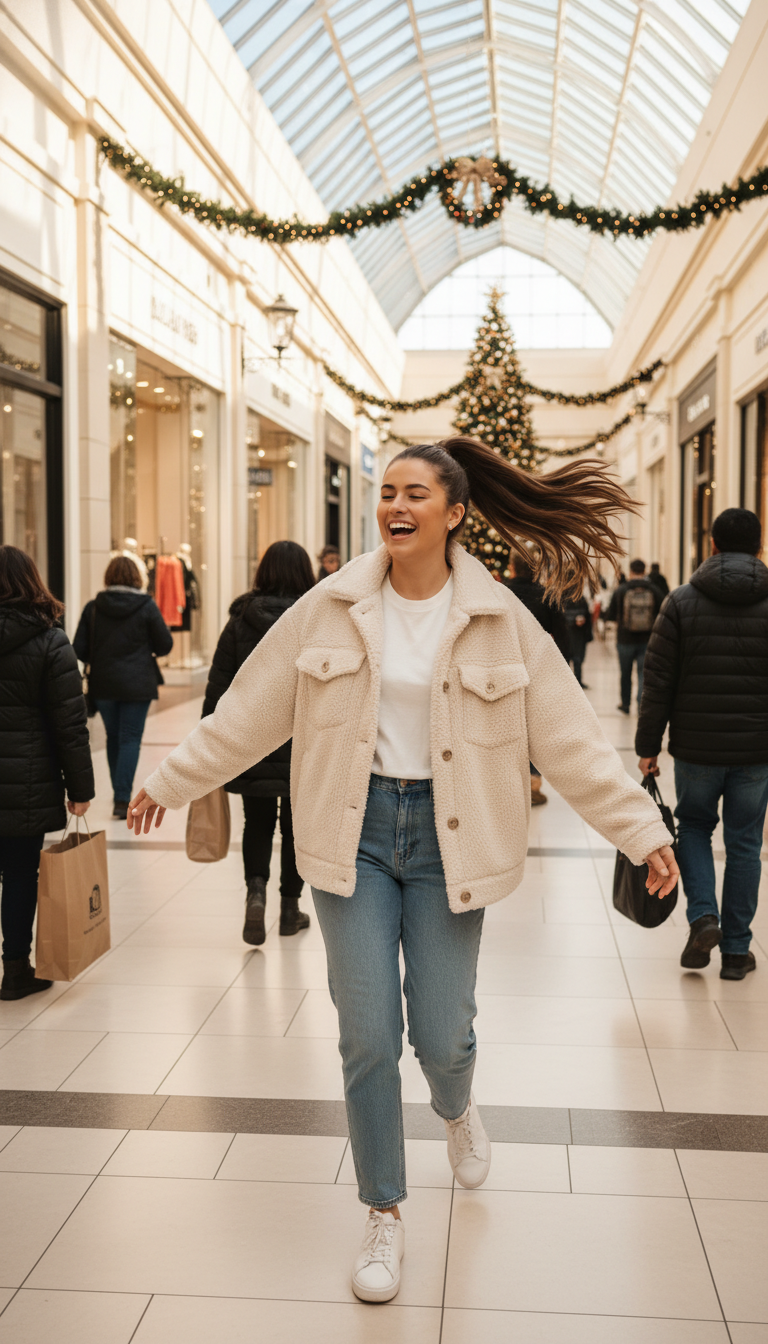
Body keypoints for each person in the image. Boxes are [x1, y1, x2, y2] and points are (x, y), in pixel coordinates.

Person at [126, 436, 677, 1305]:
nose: (397, 506)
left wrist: (641, 830)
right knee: (367, 1034)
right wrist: (168, 779)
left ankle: (456, 1109)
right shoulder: (330, 606)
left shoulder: (501, 618)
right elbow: (250, 711)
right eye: (388, 492)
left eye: (416, 493)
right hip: (356, 836)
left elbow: (570, 739)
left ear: (455, 512)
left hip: (451, 839)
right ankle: (384, 1210)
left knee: (443, 1035)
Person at [637, 508, 768, 981]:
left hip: (695, 749)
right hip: (756, 751)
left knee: (692, 828)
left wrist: (647, 745)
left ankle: (703, 919)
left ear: (711, 545)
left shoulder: (681, 601)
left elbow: (658, 683)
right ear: (759, 545)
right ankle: (736, 952)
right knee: (745, 843)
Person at [202, 541, 315, 944]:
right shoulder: (315, 619)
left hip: (253, 742)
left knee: (258, 822)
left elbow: (219, 686)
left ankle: (255, 895)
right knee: (296, 828)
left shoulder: (240, 621)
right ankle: (289, 908)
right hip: (304, 741)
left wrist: (209, 743)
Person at [0, 546, 94, 1001]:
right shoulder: (50, 641)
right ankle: (15, 969)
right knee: (20, 875)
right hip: (27, 783)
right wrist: (81, 789)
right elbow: (69, 724)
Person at [74, 556, 173, 820]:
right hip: (138, 684)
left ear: (108, 577)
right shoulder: (146, 606)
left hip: (103, 685)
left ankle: (120, 794)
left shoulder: (94, 607)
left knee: (114, 737)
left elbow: (79, 649)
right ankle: (121, 798)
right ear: (137, 578)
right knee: (130, 737)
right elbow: (164, 644)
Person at [504, 552, 570, 807]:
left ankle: (507, 783)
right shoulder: (547, 595)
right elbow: (563, 639)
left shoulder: (500, 592)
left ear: (511, 568)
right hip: (536, 671)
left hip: (503, 670)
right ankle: (532, 782)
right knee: (532, 727)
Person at [605, 559, 662, 714]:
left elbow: (610, 614)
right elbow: (662, 612)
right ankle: (641, 704)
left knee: (625, 673)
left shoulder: (621, 589)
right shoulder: (653, 589)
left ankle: (625, 704)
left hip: (625, 639)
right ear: (644, 571)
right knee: (643, 674)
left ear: (630, 571)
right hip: (647, 640)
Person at [563, 591, 593, 688]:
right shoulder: (581, 597)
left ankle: (569, 682)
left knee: (568, 659)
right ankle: (577, 681)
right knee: (577, 659)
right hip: (578, 634)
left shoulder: (561, 596)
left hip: (568, 633)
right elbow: (587, 615)